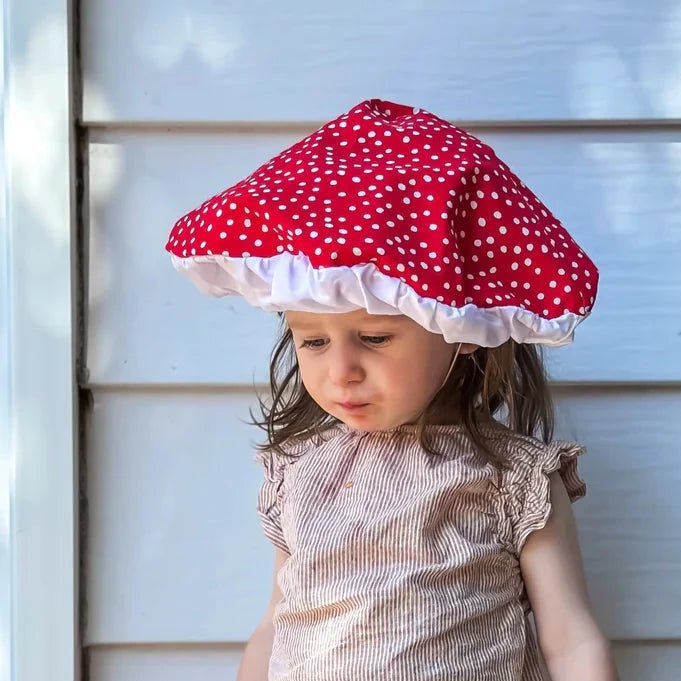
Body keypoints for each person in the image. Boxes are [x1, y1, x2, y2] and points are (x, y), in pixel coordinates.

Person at [165, 99, 619, 680]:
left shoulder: (515, 479)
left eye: (374, 338)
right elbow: (278, 624)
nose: (342, 370)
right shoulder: (301, 472)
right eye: (313, 342)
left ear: (461, 332)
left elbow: (572, 642)